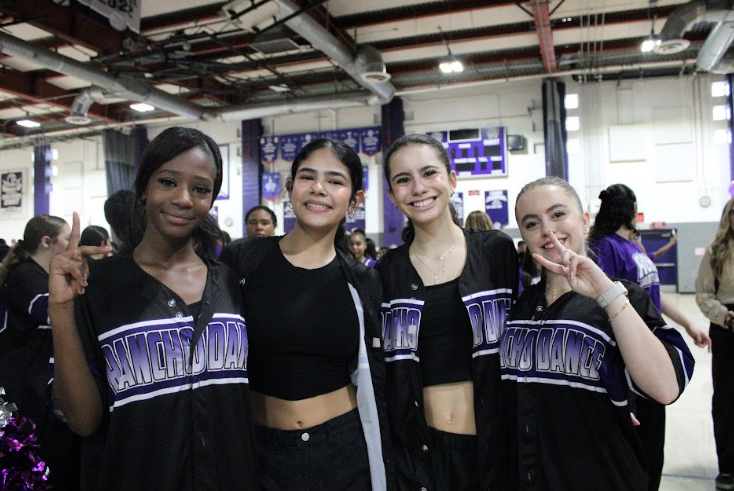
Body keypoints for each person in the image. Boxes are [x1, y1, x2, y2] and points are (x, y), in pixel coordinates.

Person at [48, 127, 259, 490]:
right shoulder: (95, 285)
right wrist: (61, 310)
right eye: (167, 182)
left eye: (200, 189)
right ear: (143, 189)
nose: (183, 199)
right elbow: (82, 420)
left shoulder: (231, 283)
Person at [220, 138, 392, 491]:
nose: (318, 189)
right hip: (258, 449)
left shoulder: (363, 281)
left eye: (335, 181)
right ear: (290, 188)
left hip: (341, 449)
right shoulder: (244, 259)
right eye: (307, 177)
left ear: (355, 200)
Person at [503, 176, 695, 490]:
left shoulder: (624, 298)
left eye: (558, 214)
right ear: (523, 235)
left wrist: (605, 292)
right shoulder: (519, 308)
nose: (548, 230)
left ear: (585, 220)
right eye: (532, 223)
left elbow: (666, 388)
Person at [377, 134, 517, 491]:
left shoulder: (495, 251)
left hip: (494, 446)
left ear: (451, 180)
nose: (418, 187)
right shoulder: (386, 272)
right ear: (393, 196)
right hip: (420, 455)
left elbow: (534, 323)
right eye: (403, 180)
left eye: (429, 173)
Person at [588, 183, 710, 491]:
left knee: (653, 448)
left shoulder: (633, 247)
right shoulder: (605, 248)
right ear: (629, 208)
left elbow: (652, 297)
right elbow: (599, 309)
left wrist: (688, 325)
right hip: (630, 359)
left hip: (654, 352)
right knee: (636, 453)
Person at [0, 215, 81, 490]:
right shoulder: (26, 275)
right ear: (46, 242)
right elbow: (52, 313)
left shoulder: (41, 275)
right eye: (66, 238)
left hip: (39, 383)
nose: (72, 244)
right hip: (26, 385)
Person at [695, 197, 734, 491]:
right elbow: (704, 295)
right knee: (727, 400)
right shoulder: (716, 252)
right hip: (727, 328)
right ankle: (728, 467)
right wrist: (726, 317)